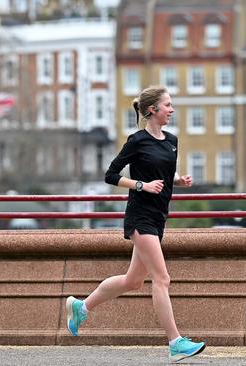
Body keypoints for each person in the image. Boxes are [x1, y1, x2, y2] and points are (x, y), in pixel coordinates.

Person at [65, 86, 206, 362]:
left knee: (133, 281)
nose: (172, 110)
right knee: (162, 278)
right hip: (140, 216)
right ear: (152, 110)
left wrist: (177, 180)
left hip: (158, 216)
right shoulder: (136, 140)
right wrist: (141, 185)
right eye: (167, 105)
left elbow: (163, 168)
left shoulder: (172, 140)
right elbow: (111, 175)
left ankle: (82, 306)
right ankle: (175, 342)